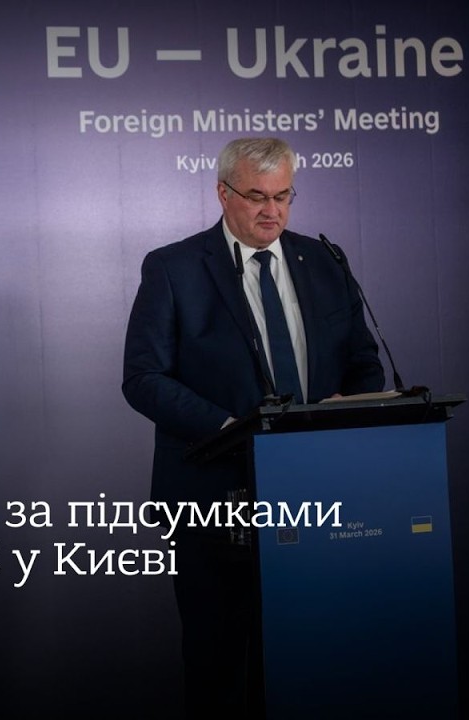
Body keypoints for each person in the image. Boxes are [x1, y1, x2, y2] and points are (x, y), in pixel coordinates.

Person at [122, 138, 384, 716]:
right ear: (223, 193)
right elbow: (142, 378)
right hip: (215, 503)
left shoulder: (324, 261)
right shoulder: (174, 268)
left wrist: (346, 405)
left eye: (284, 196)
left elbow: (363, 361)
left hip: (316, 500)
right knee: (219, 673)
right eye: (257, 197)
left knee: (310, 665)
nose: (273, 211)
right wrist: (229, 428)